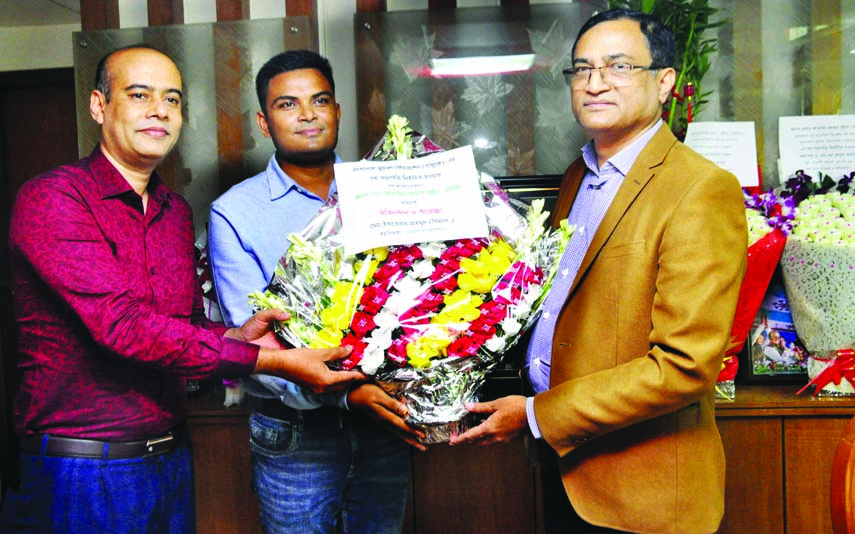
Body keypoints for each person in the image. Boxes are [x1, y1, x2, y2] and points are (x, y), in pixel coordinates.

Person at [0, 45, 364, 534]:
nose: (159, 110)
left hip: (169, 456)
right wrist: (269, 360)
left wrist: (238, 337)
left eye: (172, 100)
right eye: (138, 95)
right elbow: (122, 327)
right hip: (82, 468)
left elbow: (185, 330)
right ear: (98, 105)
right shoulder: (54, 198)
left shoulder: (173, 212)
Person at [450, 9, 747, 534]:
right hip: (567, 471)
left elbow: (683, 365)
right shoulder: (578, 176)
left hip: (643, 492)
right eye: (582, 69)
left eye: (618, 67)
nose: (595, 83)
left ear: (664, 82)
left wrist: (539, 416)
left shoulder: (700, 188)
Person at [207, 49, 422, 534]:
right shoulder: (234, 212)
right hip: (295, 432)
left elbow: (421, 294)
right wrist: (348, 395)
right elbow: (251, 344)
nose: (307, 114)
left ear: (338, 111)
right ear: (264, 123)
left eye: (319, 100)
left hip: (385, 419)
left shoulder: (385, 191)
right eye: (287, 105)